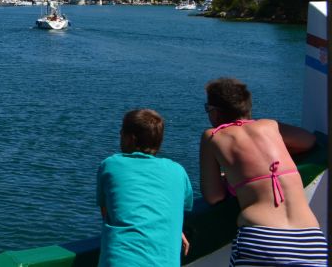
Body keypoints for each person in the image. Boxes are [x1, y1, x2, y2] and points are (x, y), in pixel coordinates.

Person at [200, 77, 328, 264]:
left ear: (215, 112)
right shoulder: (270, 125)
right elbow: (308, 140)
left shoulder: (212, 136)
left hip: (261, 237)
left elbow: (214, 196)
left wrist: (231, 178)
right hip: (311, 241)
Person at [97, 108, 193, 266]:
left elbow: (107, 211)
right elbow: (180, 208)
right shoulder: (178, 171)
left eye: (122, 132)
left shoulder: (111, 165)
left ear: (130, 139)